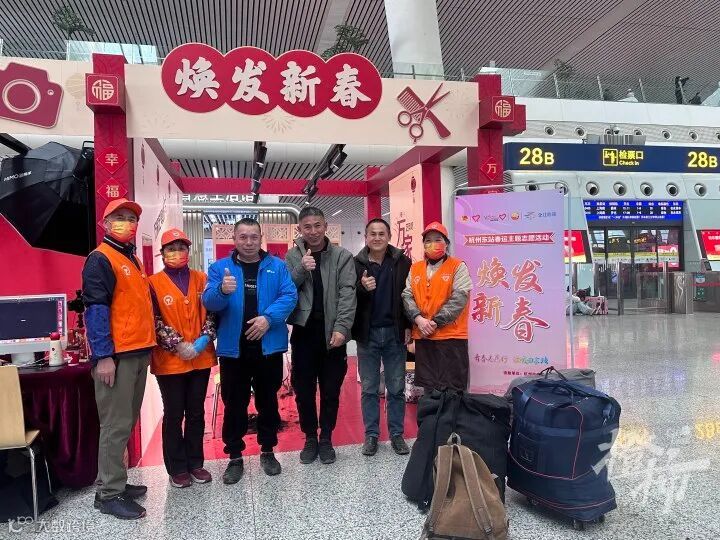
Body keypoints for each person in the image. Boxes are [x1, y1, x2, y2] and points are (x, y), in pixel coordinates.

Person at [203, 218, 297, 483]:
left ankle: (268, 450)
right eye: (243, 237)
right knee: (234, 404)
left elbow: (289, 296)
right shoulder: (219, 268)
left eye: (253, 237)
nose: (248, 242)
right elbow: (208, 301)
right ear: (234, 239)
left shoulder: (277, 266)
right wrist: (221, 291)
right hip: (234, 349)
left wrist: (268, 318)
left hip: (268, 347)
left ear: (260, 238)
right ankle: (234, 456)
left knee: (268, 401)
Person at [82, 198, 155, 520]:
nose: (127, 222)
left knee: (125, 422)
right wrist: (103, 356)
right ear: (105, 223)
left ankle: (118, 482)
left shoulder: (131, 258)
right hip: (117, 356)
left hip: (137, 351)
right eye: (119, 217)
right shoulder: (100, 259)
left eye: (131, 218)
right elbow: (96, 308)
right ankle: (109, 494)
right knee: (114, 425)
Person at [285, 207, 356, 465]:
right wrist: (301, 269)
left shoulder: (341, 256)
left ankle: (326, 437)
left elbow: (348, 293)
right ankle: (310, 438)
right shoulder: (292, 256)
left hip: (332, 333)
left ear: (326, 226)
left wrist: (342, 328)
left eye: (317, 225)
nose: (313, 231)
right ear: (300, 230)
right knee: (303, 391)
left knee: (331, 390)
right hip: (304, 334)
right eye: (307, 227)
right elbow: (285, 290)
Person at [148, 228, 217, 488]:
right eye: (171, 248)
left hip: (200, 358)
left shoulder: (202, 279)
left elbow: (213, 312)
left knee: (196, 412)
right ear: (162, 253)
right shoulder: (152, 283)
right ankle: (177, 467)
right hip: (170, 362)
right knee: (174, 413)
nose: (177, 252)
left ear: (189, 251)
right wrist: (177, 345)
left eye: (181, 248)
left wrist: (201, 342)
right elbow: (152, 320)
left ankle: (196, 463)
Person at [353, 218, 412, 457]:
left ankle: (397, 434)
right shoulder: (356, 264)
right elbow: (346, 296)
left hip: (394, 333)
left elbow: (410, 297)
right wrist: (361, 288)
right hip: (367, 334)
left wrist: (408, 326)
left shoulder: (402, 262)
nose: (377, 238)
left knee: (396, 387)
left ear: (389, 237)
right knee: (369, 388)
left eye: (381, 234)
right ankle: (371, 435)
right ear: (366, 237)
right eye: (372, 234)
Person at [402, 222, 472, 392]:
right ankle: (431, 412)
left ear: (446, 243)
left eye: (438, 239)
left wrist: (434, 322)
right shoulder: (415, 268)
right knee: (429, 389)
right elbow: (407, 295)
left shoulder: (458, 266)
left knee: (453, 390)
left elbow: (459, 298)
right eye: (428, 240)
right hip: (424, 338)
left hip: (451, 338)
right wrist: (419, 319)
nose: (433, 244)